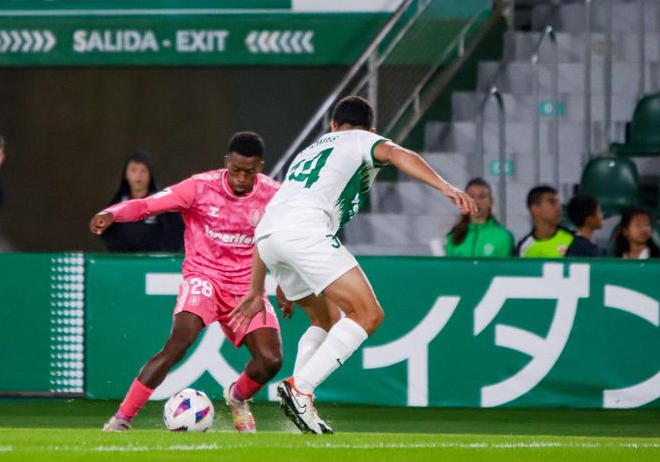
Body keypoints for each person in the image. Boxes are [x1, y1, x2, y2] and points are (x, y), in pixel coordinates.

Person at [228, 96, 476, 435]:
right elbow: (398, 154)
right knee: (368, 314)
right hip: (304, 232)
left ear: (333, 125)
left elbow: (273, 219)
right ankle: (301, 389)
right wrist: (445, 186)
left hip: (270, 239)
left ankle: (301, 401)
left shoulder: (309, 152)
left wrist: (262, 288)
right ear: (372, 130)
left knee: (325, 319)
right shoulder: (361, 140)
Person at [90, 132, 282, 433]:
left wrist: (285, 285)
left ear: (260, 167)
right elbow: (147, 205)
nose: (241, 179)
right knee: (178, 343)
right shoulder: (199, 187)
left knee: (271, 361)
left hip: (246, 287)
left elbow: (286, 242)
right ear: (226, 163)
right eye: (235, 170)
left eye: (249, 171)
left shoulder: (274, 196)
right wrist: (112, 213)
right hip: (203, 278)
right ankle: (121, 419)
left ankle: (237, 397)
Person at [99, 150, 184, 252]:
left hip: (155, 263)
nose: (138, 175)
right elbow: (107, 232)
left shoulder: (162, 203)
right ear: (126, 175)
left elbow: (176, 231)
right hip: (125, 263)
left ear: (150, 175)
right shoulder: (116, 206)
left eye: (143, 171)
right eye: (133, 170)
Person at [444, 178, 513, 258]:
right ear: (463, 200)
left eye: (482, 196)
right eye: (471, 196)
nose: (476, 201)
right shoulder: (454, 236)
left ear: (491, 201)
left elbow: (505, 269)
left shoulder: (503, 236)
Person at [516, 185, 574, 258]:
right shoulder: (523, 246)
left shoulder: (572, 238)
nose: (559, 208)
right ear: (535, 209)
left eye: (558, 202)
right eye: (552, 202)